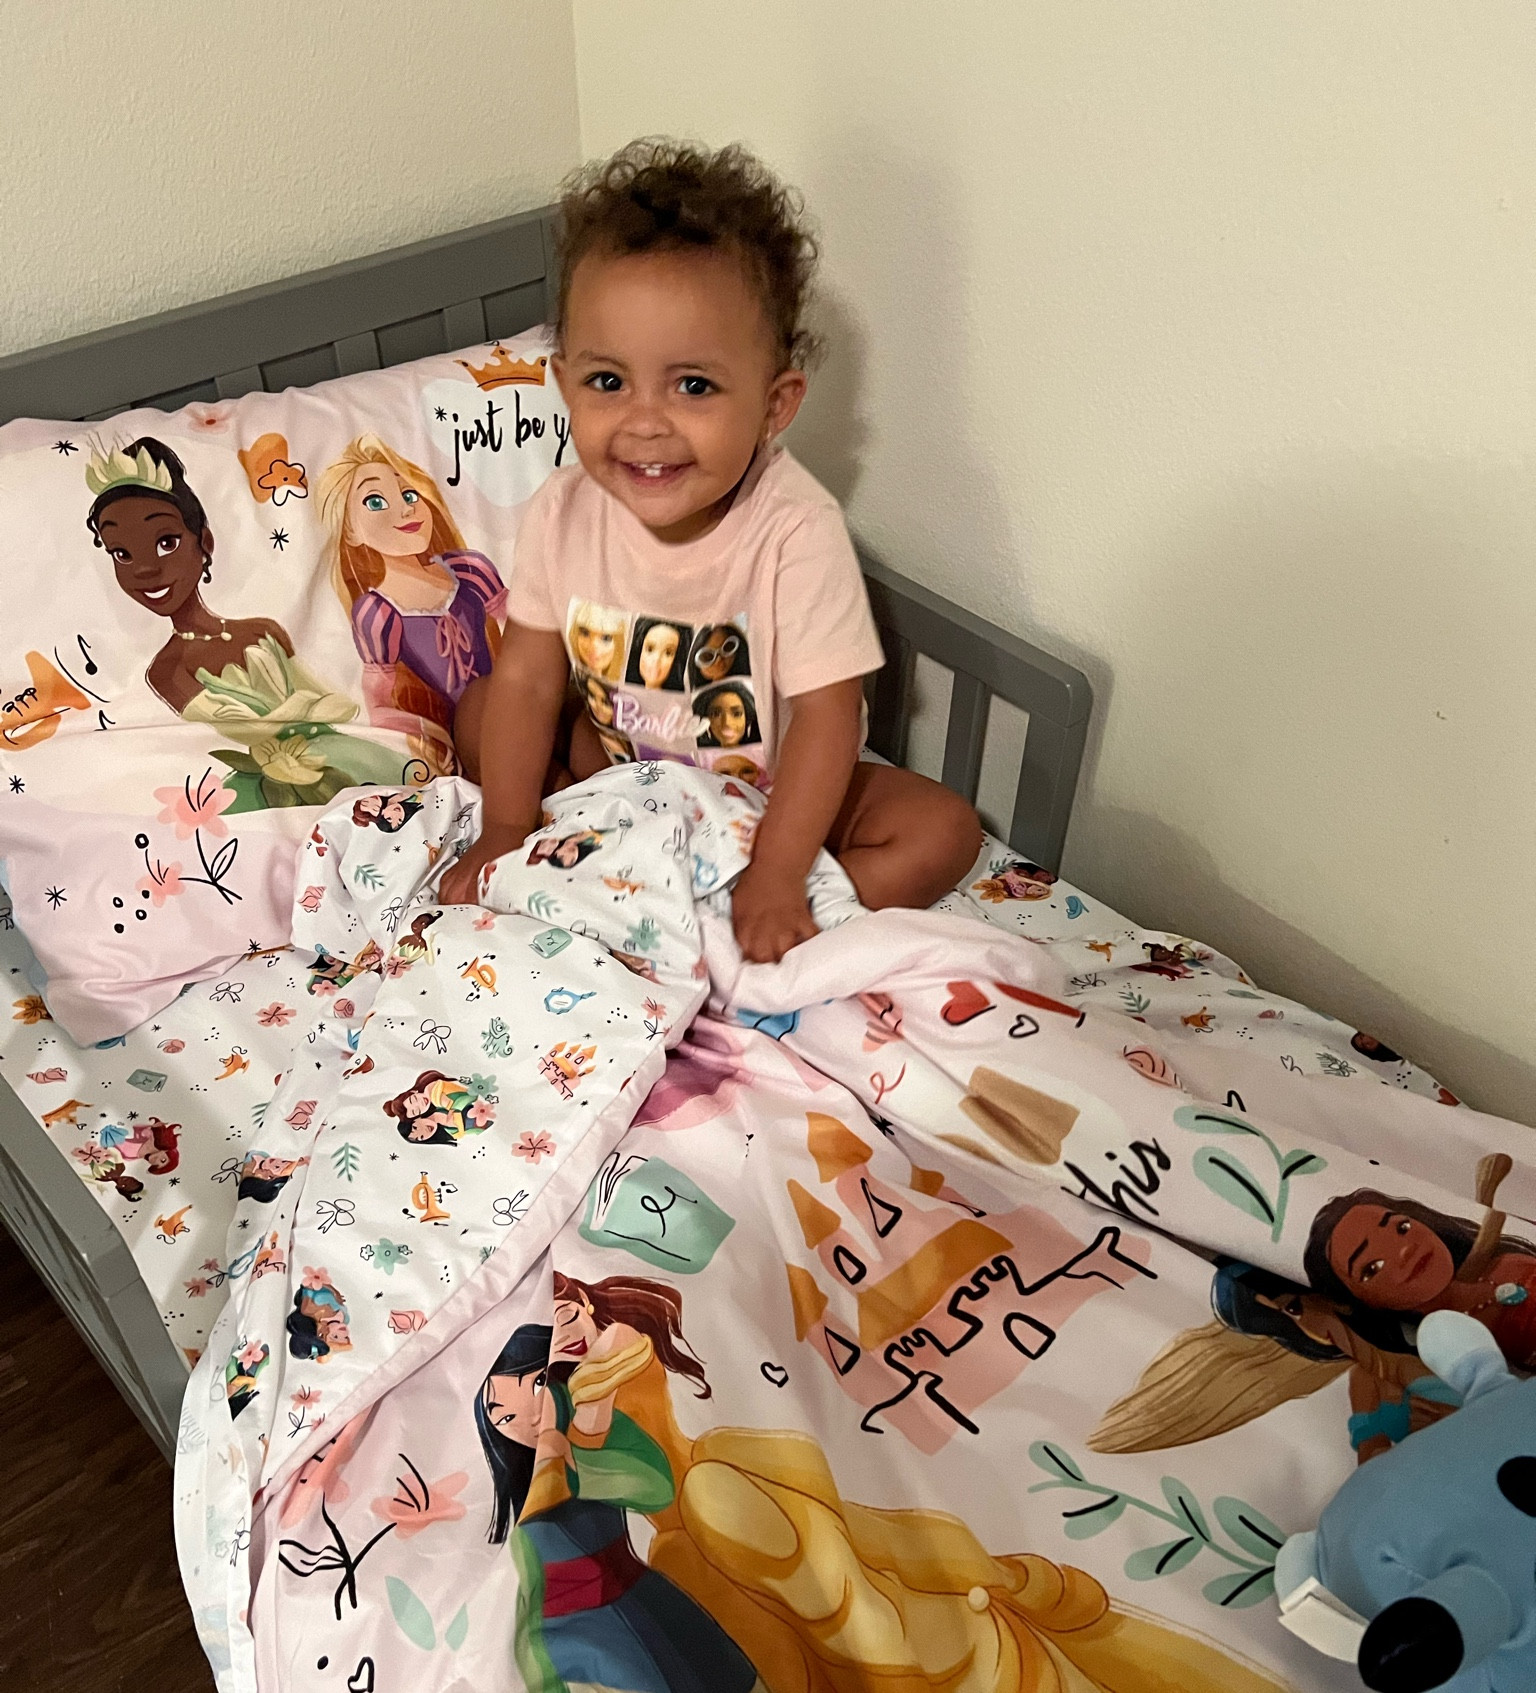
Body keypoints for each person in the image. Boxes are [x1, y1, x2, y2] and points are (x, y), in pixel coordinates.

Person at [442, 140, 981, 960]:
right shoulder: (563, 510)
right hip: (621, 770)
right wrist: (507, 828)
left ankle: (744, 920)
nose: (647, 420)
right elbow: (527, 677)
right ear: (562, 384)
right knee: (486, 707)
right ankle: (610, 871)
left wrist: (776, 869)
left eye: (693, 385)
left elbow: (830, 723)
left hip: (770, 793)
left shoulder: (795, 529)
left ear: (774, 405)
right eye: (608, 381)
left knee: (946, 829)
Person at [318, 435, 508, 769]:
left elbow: (529, 633)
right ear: (350, 532)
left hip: (523, 704)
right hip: (468, 741)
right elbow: (383, 709)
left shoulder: (470, 570)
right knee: (481, 703)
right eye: (375, 502)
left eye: (409, 494)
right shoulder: (377, 614)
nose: (406, 509)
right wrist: (430, 752)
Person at [1304, 1188, 1536, 1370]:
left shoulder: (1512, 1264)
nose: (1404, 1251)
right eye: (1373, 1267)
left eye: (1402, 1227)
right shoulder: (1444, 1353)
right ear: (1362, 1301)